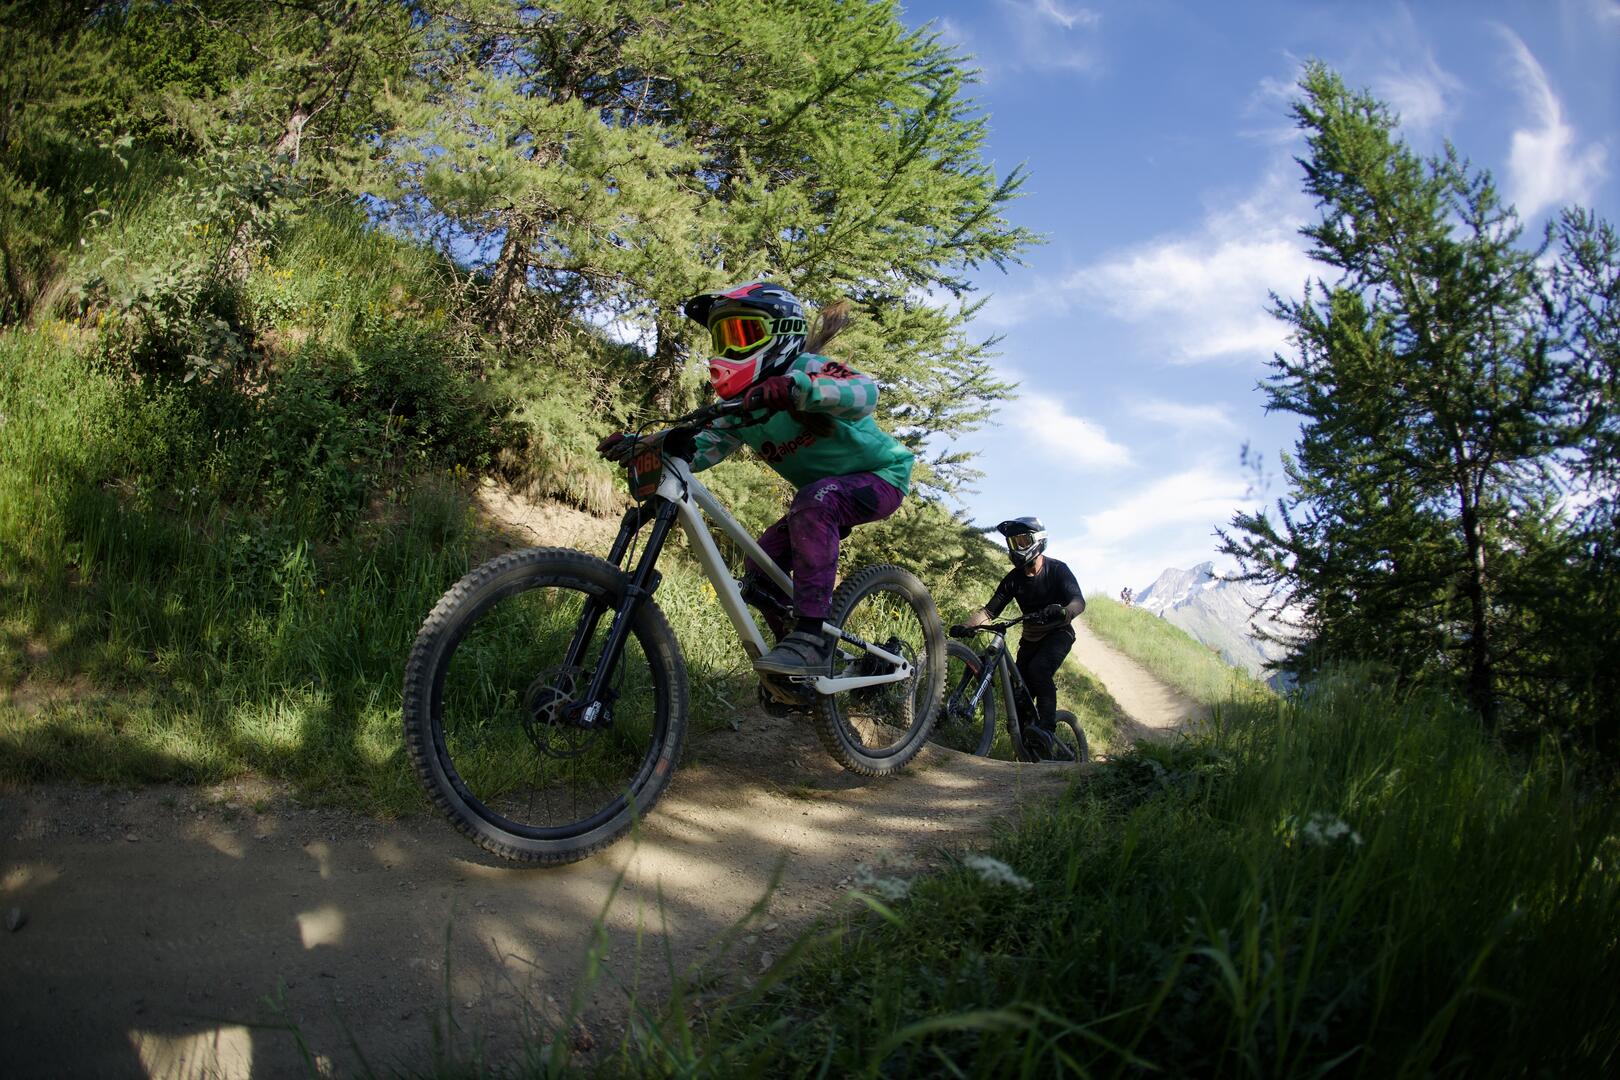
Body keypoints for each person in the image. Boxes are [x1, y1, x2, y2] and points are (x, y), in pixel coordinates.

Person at [597, 281, 913, 678]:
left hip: (881, 477)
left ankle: (812, 641)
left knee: (816, 501)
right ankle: (795, 665)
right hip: (822, 498)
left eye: (743, 334)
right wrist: (643, 446)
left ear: (782, 335)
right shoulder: (740, 412)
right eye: (722, 338)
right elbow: (701, 447)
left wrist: (797, 389)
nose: (729, 350)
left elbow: (865, 392)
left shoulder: (805, 370)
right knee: (760, 567)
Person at [951, 518, 1085, 759]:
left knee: (1039, 670)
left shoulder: (1058, 570)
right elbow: (989, 612)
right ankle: (1028, 752)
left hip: (1058, 634)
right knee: (1018, 695)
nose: (1016, 547)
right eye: (1012, 542)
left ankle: (1046, 730)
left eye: (1022, 541)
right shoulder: (1013, 578)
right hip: (1030, 639)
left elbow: (1078, 601)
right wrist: (965, 626)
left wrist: (1065, 612)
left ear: (1038, 541)